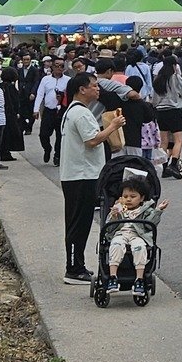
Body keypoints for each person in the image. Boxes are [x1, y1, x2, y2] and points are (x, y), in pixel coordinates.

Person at [60, 73, 124, 285]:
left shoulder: (73, 111)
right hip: (82, 175)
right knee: (79, 224)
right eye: (94, 86)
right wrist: (113, 126)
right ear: (82, 89)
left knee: (78, 222)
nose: (98, 89)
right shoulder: (81, 113)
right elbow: (92, 140)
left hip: (76, 175)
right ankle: (74, 269)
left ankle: (76, 266)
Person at [104, 177, 168, 298]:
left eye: (133, 196)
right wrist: (114, 216)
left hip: (138, 235)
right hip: (120, 233)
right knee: (116, 245)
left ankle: (139, 279)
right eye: (125, 196)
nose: (128, 199)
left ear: (141, 198)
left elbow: (150, 225)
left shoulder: (146, 210)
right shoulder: (118, 208)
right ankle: (113, 277)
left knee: (139, 247)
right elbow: (109, 229)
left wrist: (158, 210)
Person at [152, 53, 182, 180]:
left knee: (164, 141)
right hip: (175, 110)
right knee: (178, 140)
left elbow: (154, 100)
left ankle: (163, 167)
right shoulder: (175, 77)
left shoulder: (158, 79)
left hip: (161, 112)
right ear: (174, 65)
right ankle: (173, 165)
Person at [34, 59, 69, 164]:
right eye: (57, 65)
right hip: (49, 110)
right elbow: (40, 94)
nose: (59, 68)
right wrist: (36, 109)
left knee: (60, 135)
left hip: (61, 111)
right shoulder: (46, 79)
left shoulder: (68, 80)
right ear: (52, 67)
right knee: (43, 134)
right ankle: (47, 148)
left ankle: (57, 155)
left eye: (61, 66)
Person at [0, 67, 26, 162]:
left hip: (4, 112)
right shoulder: (10, 87)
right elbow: (12, 101)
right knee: (9, 134)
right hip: (10, 114)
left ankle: (4, 152)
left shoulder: (1, 86)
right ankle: (5, 153)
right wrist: (16, 112)